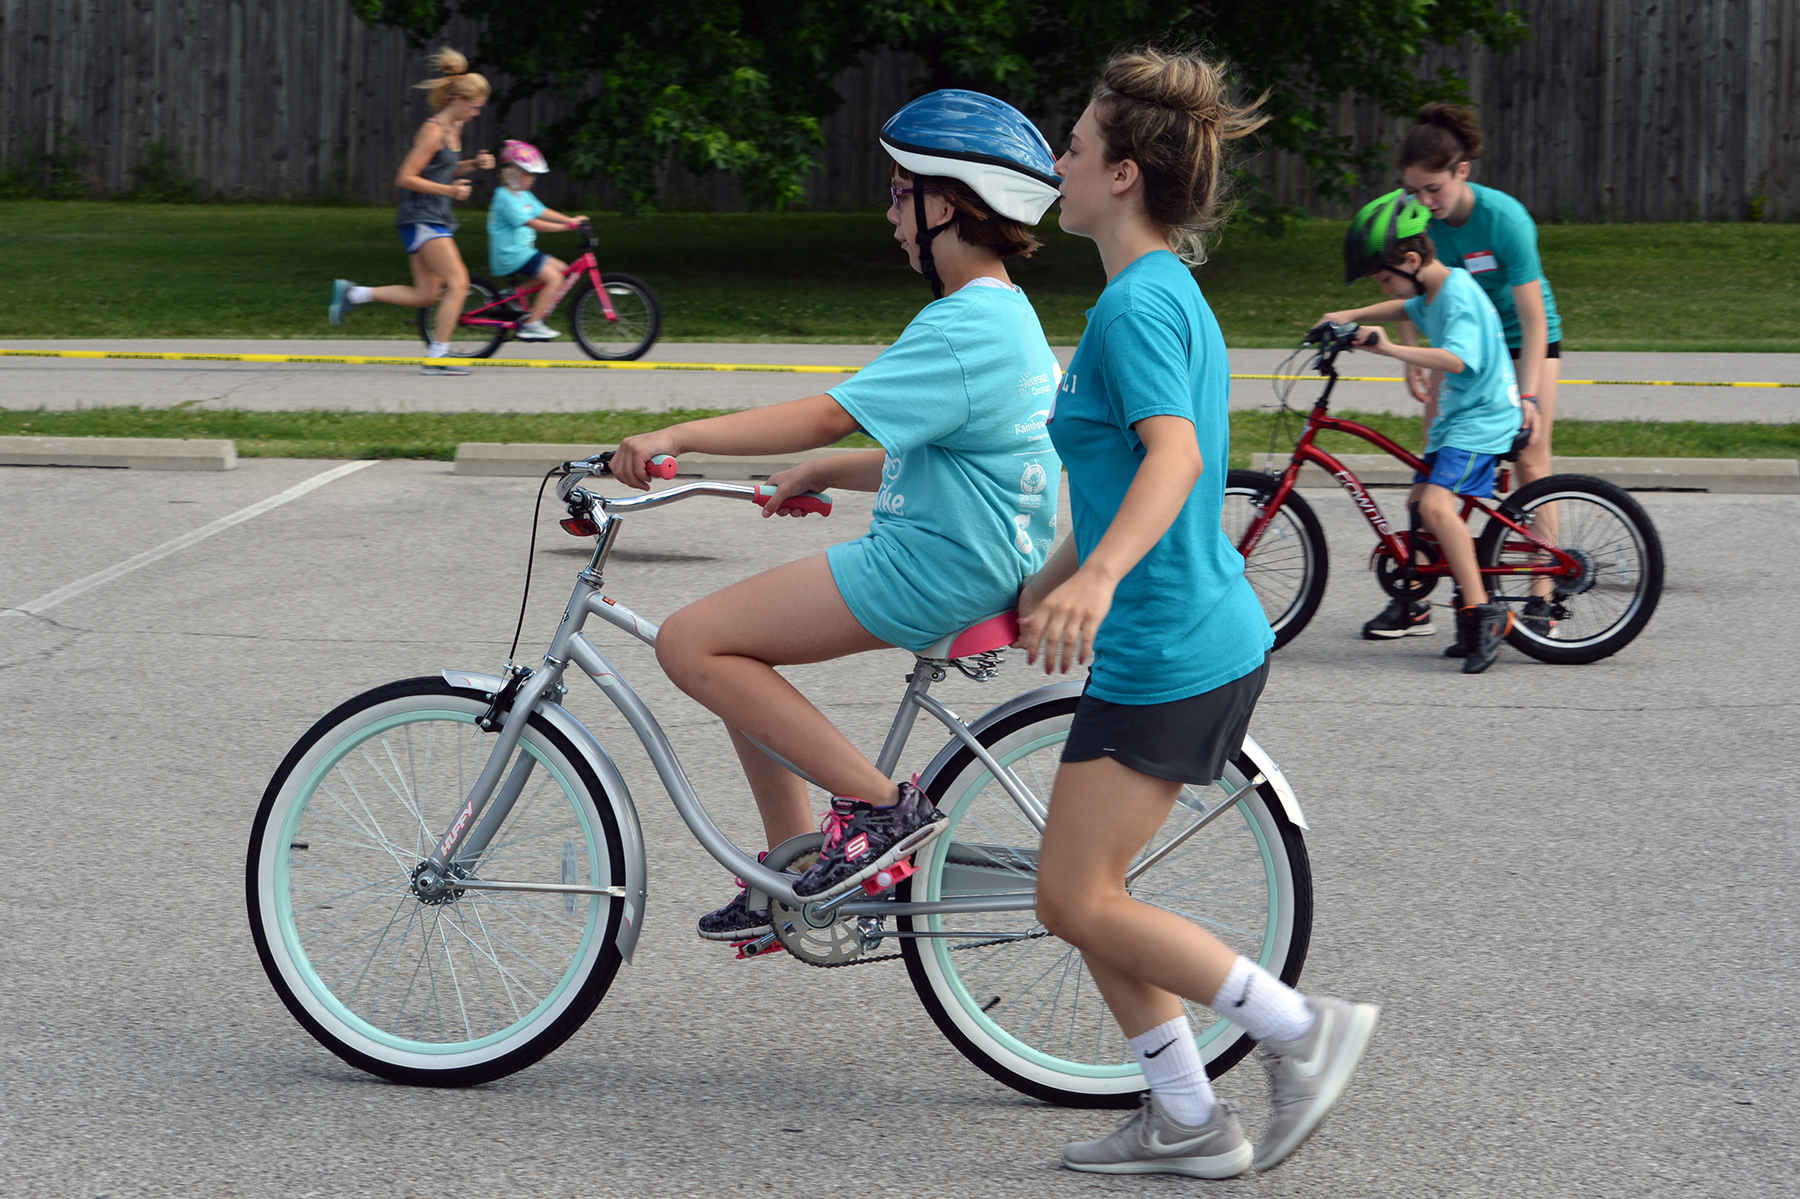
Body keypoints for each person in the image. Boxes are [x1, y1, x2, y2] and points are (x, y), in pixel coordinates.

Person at [1023, 48, 1378, 1180]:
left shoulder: (1136, 308)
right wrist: (1048, 576)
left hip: (1171, 643)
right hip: (1179, 634)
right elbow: (1132, 476)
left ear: (1122, 174)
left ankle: (1298, 1026)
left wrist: (1095, 579)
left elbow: (1175, 458)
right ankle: (1185, 1114)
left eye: (1072, 149)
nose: (1058, 165)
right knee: (1091, 896)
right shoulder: (1159, 289)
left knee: (1072, 894)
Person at [610, 89, 1065, 937]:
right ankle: (796, 870)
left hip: (935, 565)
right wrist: (827, 470)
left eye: (900, 193)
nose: (890, 212)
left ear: (950, 202)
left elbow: (828, 410)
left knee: (691, 639)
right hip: (971, 553)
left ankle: (882, 808)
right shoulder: (1007, 317)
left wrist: (678, 430)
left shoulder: (963, 324)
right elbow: (957, 453)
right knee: (736, 656)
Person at [1366, 101, 1562, 637]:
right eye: (1414, 190)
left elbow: (1532, 316)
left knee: (1529, 461)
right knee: (1433, 456)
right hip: (1458, 341)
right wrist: (1411, 358)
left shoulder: (1505, 220)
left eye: (1434, 189)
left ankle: (1542, 591)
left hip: (1522, 342)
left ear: (1462, 173)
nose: (1425, 202)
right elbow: (1410, 285)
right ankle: (1418, 594)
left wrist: (1528, 399)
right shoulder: (1419, 221)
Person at [1324, 190, 1528, 673]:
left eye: (1384, 277)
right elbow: (1401, 310)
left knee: (1437, 505)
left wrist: (1390, 352)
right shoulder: (1432, 291)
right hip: (1458, 418)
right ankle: (1426, 604)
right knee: (1421, 506)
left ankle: (1483, 615)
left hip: (1484, 418)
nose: (1384, 288)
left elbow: (1457, 359)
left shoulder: (1457, 295)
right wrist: (1346, 317)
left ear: (1412, 260)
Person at [328, 47, 495, 377]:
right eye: (474, 108)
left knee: (426, 295)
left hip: (435, 216)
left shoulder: (455, 129)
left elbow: (442, 171)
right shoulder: (433, 131)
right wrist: (450, 191)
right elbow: (406, 177)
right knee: (459, 283)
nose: (477, 114)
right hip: (421, 217)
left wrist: (473, 165)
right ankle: (438, 358)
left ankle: (353, 293)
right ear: (458, 101)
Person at [487, 140, 589, 341]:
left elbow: (543, 212)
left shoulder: (523, 195)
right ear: (511, 172)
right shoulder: (504, 197)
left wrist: (571, 220)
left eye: (533, 174)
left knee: (561, 269)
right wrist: (565, 227)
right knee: (555, 279)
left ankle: (514, 294)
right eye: (527, 173)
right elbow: (534, 223)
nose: (532, 178)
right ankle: (532, 323)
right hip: (511, 254)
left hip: (522, 251)